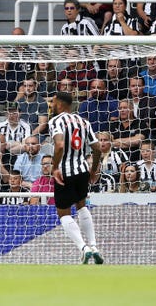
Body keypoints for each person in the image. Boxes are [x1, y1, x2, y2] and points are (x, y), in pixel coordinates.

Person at [48, 91, 104, 264]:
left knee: (63, 212)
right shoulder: (83, 121)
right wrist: (93, 170)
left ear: (59, 103)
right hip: (82, 170)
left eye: (52, 102)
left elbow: (59, 146)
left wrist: (55, 167)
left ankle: (84, 248)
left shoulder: (55, 121)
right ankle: (93, 246)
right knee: (81, 206)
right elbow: (97, 148)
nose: (51, 105)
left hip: (65, 172)